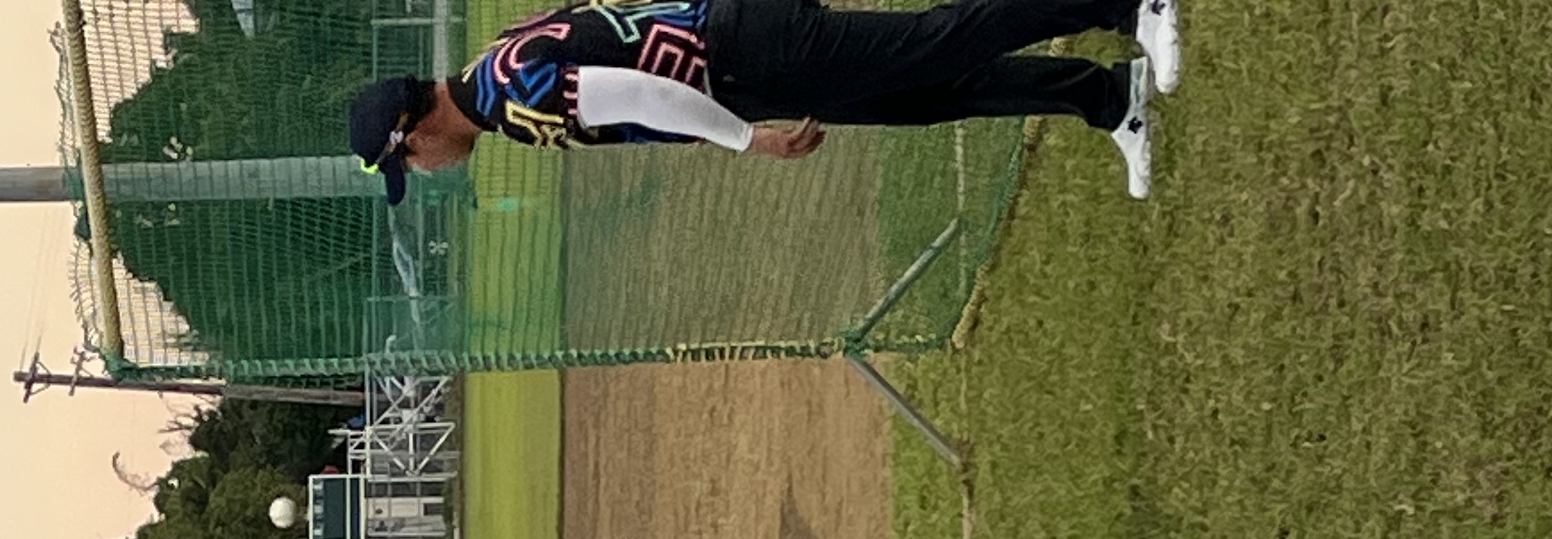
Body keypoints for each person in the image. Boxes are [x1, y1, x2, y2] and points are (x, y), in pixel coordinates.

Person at [348, 0, 1179, 203]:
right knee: (927, 93)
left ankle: (1123, 4)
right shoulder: (494, 69)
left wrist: (746, 139)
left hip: (745, 56)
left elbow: (638, 89)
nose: (421, 170)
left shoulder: (508, 93)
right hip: (743, 50)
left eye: (407, 161)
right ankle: (1106, 97)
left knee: (935, 44)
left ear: (414, 128)